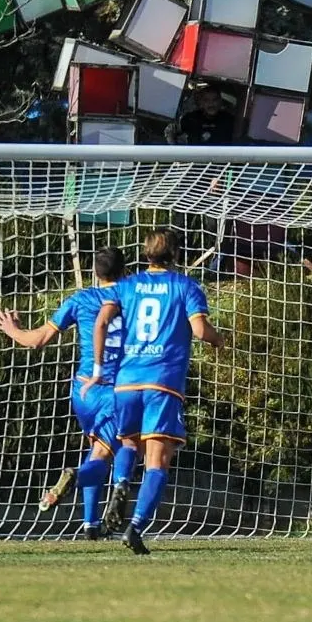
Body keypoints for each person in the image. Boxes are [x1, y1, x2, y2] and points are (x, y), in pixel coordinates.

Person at [90, 228, 224, 555]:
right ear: (176, 254)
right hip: (162, 381)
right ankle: (135, 527)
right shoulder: (186, 286)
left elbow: (102, 322)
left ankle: (120, 485)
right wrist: (221, 340)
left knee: (127, 444)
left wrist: (97, 367)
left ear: (146, 253)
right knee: (157, 461)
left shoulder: (126, 285)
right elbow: (199, 329)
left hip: (127, 380)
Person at [0, 246, 128, 540]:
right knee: (106, 456)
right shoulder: (133, 299)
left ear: (95, 272)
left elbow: (38, 340)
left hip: (82, 392)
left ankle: (91, 526)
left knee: (97, 449)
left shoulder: (80, 300)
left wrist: (12, 330)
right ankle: (73, 478)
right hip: (115, 391)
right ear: (125, 270)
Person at [170, 85, 235, 146]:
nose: (211, 104)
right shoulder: (190, 119)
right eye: (206, 100)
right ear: (201, 102)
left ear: (220, 101)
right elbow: (172, 133)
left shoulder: (229, 120)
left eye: (215, 100)